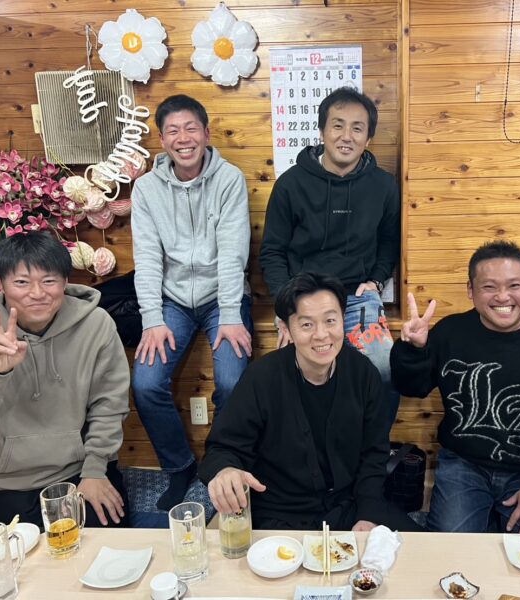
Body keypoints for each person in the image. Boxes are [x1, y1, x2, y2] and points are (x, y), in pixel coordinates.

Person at [390, 241, 520, 534]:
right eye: (489, 287)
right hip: (463, 463)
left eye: (514, 285)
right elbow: (412, 387)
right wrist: (412, 349)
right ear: (470, 290)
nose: (503, 296)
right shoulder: (450, 331)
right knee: (449, 547)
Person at [198, 272, 421, 531]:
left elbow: (374, 453)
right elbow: (222, 448)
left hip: (348, 504)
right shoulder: (262, 377)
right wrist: (225, 471)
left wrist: (368, 512)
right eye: (306, 325)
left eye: (330, 320)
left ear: (342, 320)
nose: (321, 335)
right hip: (279, 511)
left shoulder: (363, 373)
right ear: (286, 329)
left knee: (421, 548)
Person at [0, 232, 129, 529]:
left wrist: (96, 469)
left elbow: (109, 404)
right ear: (1, 282)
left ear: (65, 281)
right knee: (18, 554)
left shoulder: (96, 324)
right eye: (21, 282)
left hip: (82, 468)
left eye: (49, 280)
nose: (37, 293)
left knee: (109, 545)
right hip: (11, 480)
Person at [131, 94, 254, 511]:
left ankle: (223, 463)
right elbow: (147, 258)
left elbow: (233, 252)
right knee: (146, 384)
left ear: (206, 133)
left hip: (224, 298)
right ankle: (179, 466)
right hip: (173, 301)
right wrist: (152, 319)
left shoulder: (229, 179)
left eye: (190, 128)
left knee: (233, 382)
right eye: (173, 131)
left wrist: (232, 314)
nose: (183, 138)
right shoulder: (146, 189)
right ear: (162, 139)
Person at [259, 87, 401, 426]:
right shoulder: (290, 184)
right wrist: (286, 306)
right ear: (322, 131)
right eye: (338, 125)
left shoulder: (383, 186)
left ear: (368, 138)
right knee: (293, 376)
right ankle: (306, 452)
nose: (346, 136)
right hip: (303, 299)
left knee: (386, 369)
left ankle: (372, 450)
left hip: (357, 297)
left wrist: (376, 279)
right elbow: (273, 251)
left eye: (357, 128)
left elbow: (388, 242)